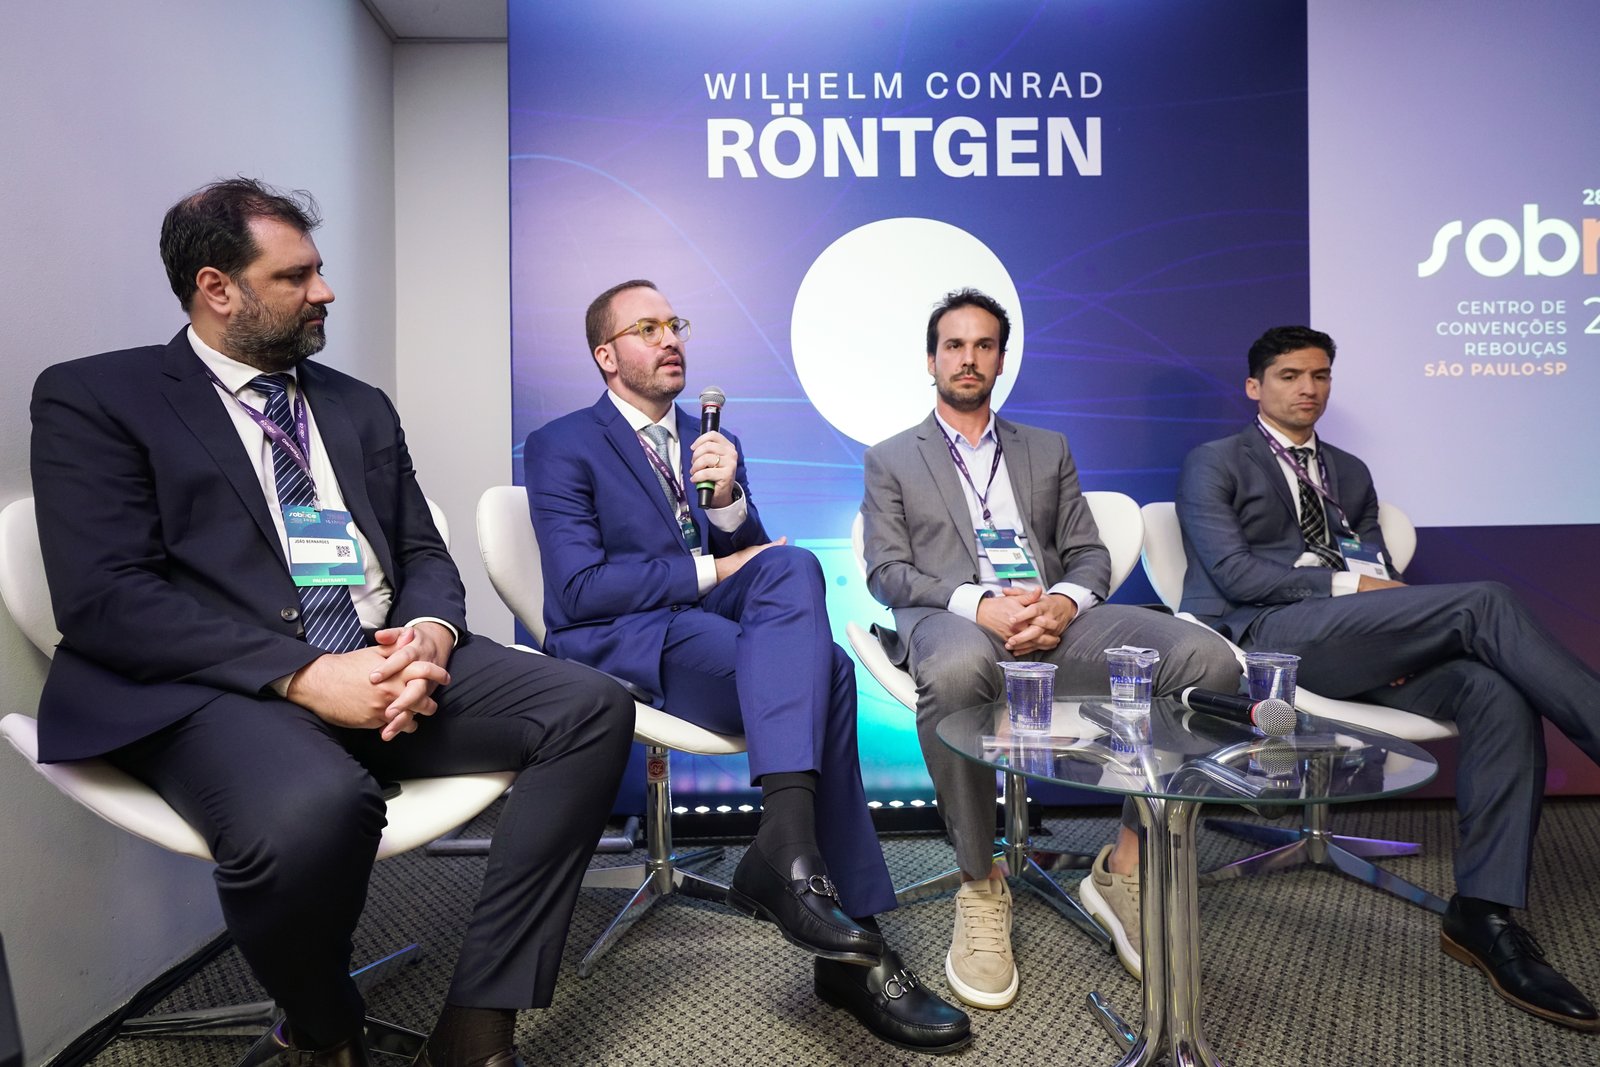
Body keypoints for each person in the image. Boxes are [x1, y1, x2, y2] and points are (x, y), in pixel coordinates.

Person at [28, 179, 637, 1067]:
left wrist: (428, 634)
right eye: (296, 276)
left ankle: (478, 1021)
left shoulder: (357, 405)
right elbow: (106, 596)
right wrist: (308, 675)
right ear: (216, 287)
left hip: (379, 656)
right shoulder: (98, 396)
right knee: (320, 807)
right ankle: (322, 1027)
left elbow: (421, 549)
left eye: (319, 269)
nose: (326, 291)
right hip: (222, 688)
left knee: (591, 708)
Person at [523, 280, 970, 1055]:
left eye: (674, 323)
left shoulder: (709, 438)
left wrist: (728, 499)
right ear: (606, 355)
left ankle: (789, 852)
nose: (671, 338)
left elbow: (753, 556)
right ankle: (852, 944)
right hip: (630, 635)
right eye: (647, 327)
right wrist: (712, 568)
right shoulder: (562, 442)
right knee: (828, 673)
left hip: (707, 623)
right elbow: (577, 590)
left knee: (792, 565)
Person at [1177, 324, 1600, 1032]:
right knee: (1485, 600)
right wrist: (1354, 591)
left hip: (1359, 643)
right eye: (1289, 375)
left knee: (1496, 691)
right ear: (1255, 386)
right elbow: (1236, 575)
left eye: (1320, 375)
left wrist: (1392, 631)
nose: (1308, 388)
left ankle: (1483, 914)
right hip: (1273, 638)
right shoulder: (1215, 462)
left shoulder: (1349, 470)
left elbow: (1376, 568)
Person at [860, 288, 1241, 1004]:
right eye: (953, 345)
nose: (968, 358)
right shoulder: (891, 458)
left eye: (983, 345)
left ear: (1002, 359)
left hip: (1054, 620)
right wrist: (982, 604)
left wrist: (1063, 603)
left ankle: (1125, 865)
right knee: (959, 666)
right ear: (931, 359)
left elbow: (1089, 553)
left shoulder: (1047, 448)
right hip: (954, 618)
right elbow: (888, 571)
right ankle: (979, 880)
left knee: (1206, 659)